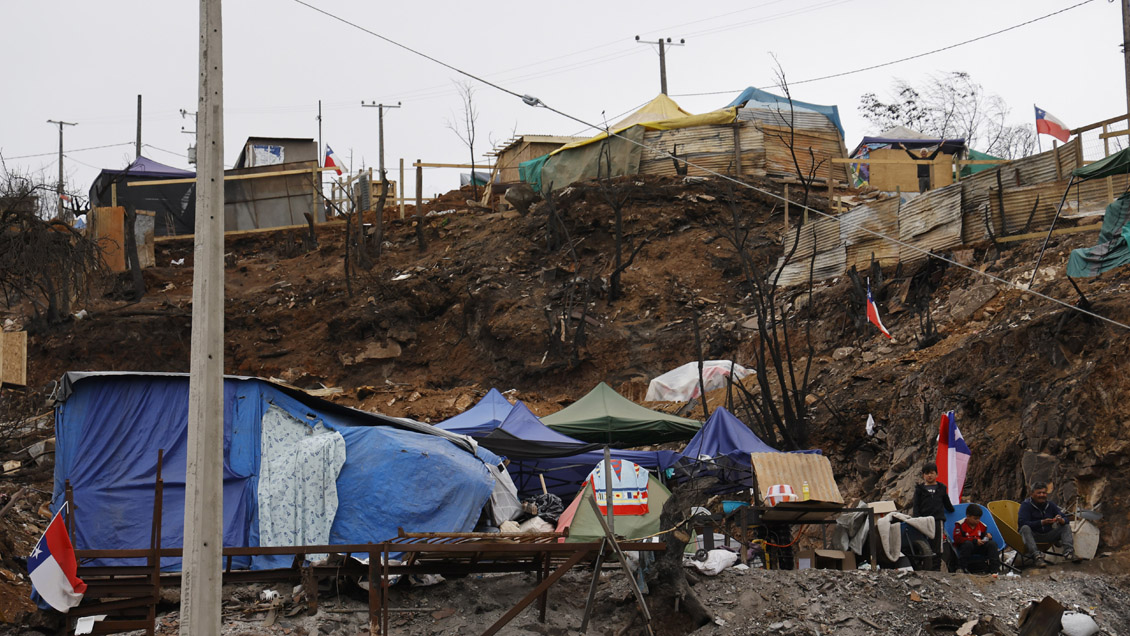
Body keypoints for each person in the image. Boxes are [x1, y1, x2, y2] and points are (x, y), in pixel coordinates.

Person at [1018, 482, 1076, 566]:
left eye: (1044, 493)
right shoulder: (1026, 505)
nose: (1042, 495)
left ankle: (1069, 553)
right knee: (1025, 528)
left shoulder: (1050, 505)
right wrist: (1042, 522)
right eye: (1039, 493)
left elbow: (1065, 518)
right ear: (1032, 494)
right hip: (1033, 537)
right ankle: (1037, 556)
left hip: (1048, 535)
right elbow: (1022, 523)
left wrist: (1061, 520)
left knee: (1065, 526)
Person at [952, 504, 999, 573]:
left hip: (979, 547)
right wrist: (973, 541)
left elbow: (983, 536)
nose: (977, 521)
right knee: (968, 544)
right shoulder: (960, 525)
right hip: (966, 548)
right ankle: (962, 568)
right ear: (968, 516)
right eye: (975, 518)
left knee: (992, 544)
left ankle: (994, 570)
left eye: (979, 518)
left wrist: (988, 537)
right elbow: (957, 539)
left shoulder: (982, 526)